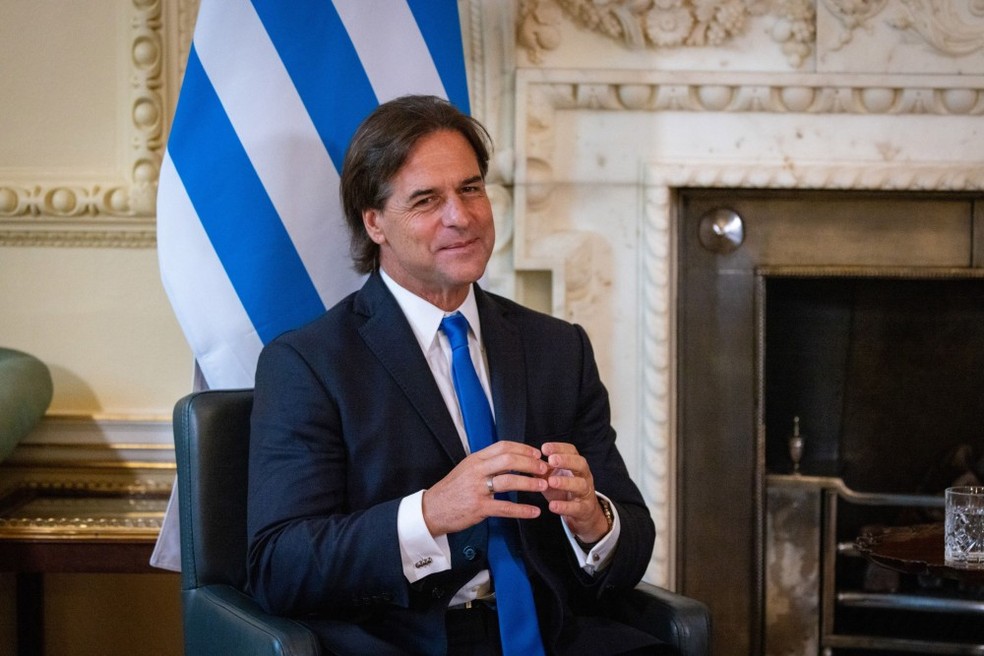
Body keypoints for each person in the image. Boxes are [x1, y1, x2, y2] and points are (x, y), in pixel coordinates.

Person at [246, 95, 668, 655]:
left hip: (556, 632)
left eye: (470, 189)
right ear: (375, 222)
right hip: (407, 637)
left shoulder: (558, 348)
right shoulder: (309, 363)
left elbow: (633, 536)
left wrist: (593, 521)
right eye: (426, 199)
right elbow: (281, 564)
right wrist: (430, 513)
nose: (461, 216)